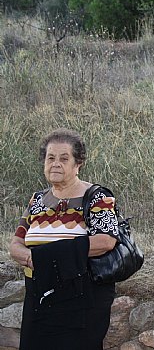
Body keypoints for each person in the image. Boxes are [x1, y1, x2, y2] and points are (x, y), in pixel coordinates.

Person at [9, 128, 118, 350]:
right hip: (38, 296)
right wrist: (31, 259)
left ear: (78, 164)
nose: (55, 164)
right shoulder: (37, 200)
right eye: (51, 158)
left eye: (64, 158)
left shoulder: (97, 197)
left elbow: (106, 241)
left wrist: (45, 257)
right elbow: (16, 243)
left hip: (81, 299)